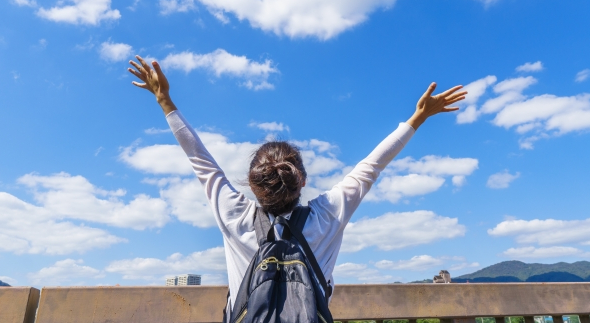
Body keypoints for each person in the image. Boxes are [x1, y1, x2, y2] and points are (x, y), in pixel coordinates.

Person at [128, 55, 466, 314]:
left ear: (251, 182)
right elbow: (371, 166)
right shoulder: (327, 216)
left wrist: (164, 99)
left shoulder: (234, 216)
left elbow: (201, 160)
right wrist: (417, 117)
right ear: (301, 180)